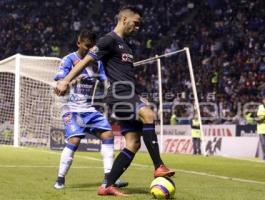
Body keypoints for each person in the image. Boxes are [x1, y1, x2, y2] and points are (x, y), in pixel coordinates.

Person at [55, 6, 175, 196]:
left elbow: (124, 73)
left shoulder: (126, 45)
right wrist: (65, 80)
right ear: (124, 19)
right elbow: (86, 60)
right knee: (148, 114)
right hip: (119, 94)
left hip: (129, 93)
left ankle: (108, 185)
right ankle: (158, 165)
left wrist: (137, 94)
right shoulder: (108, 40)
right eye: (136, 24)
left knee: (133, 143)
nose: (137, 28)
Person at [53, 30, 127, 190]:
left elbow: (105, 81)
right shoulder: (68, 60)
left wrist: (113, 88)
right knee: (75, 140)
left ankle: (109, 178)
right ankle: (60, 179)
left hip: (89, 109)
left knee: (108, 134)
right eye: (87, 46)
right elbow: (59, 89)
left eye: (92, 47)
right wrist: (74, 80)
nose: (90, 50)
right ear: (78, 43)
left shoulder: (96, 62)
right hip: (71, 109)